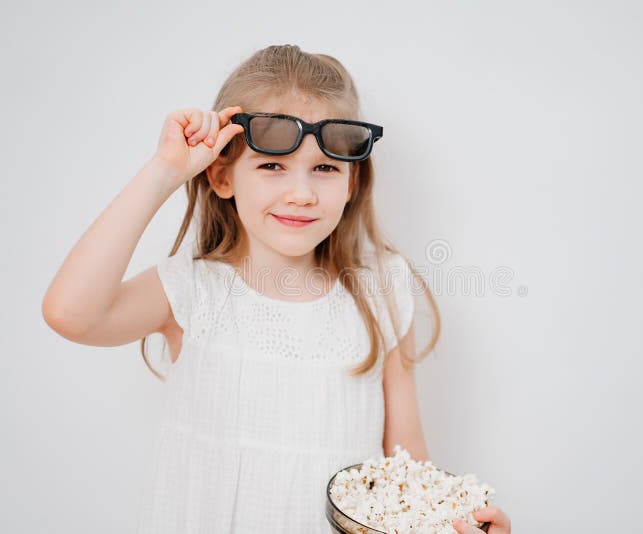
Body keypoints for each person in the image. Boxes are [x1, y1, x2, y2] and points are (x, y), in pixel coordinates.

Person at [42, 44, 510, 533]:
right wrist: (165, 170)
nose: (302, 193)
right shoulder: (194, 291)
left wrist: (455, 520)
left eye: (325, 168)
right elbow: (70, 313)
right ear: (222, 176)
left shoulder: (381, 294)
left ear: (351, 183)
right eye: (272, 166)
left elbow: (406, 467)